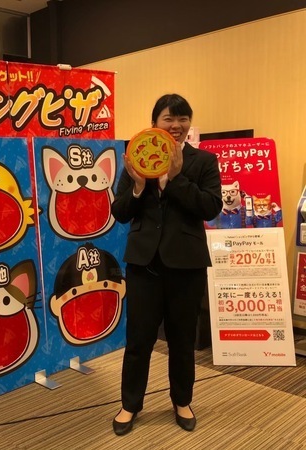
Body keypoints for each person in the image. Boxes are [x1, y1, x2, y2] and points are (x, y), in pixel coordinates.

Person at [111, 94, 222, 435]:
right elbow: (120, 213)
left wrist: (176, 178)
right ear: (154, 123)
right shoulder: (137, 157)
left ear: (189, 123)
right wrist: (137, 187)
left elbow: (211, 207)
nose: (176, 125)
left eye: (182, 118)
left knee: (182, 340)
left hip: (186, 266)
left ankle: (182, 401)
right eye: (168, 119)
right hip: (143, 265)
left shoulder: (204, 161)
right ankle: (130, 405)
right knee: (138, 340)